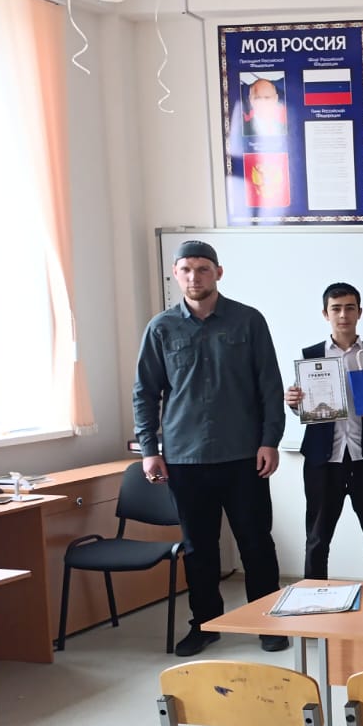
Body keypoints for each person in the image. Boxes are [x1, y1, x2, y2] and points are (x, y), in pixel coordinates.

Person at [132, 240, 286, 657]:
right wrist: (149, 449)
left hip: (243, 455)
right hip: (185, 459)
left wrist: (270, 440)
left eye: (202, 268)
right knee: (199, 548)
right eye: (186, 269)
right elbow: (145, 392)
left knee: (256, 543)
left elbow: (270, 386)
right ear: (175, 274)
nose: (194, 277)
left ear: (218, 272)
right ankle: (204, 624)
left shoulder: (248, 321)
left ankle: (267, 622)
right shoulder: (161, 328)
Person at [285, 283, 363, 580]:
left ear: (360, 312)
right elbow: (303, 407)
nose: (343, 315)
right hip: (323, 460)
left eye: (349, 308)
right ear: (325, 314)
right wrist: (293, 403)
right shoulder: (310, 356)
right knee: (317, 538)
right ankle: (313, 603)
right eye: (336, 309)